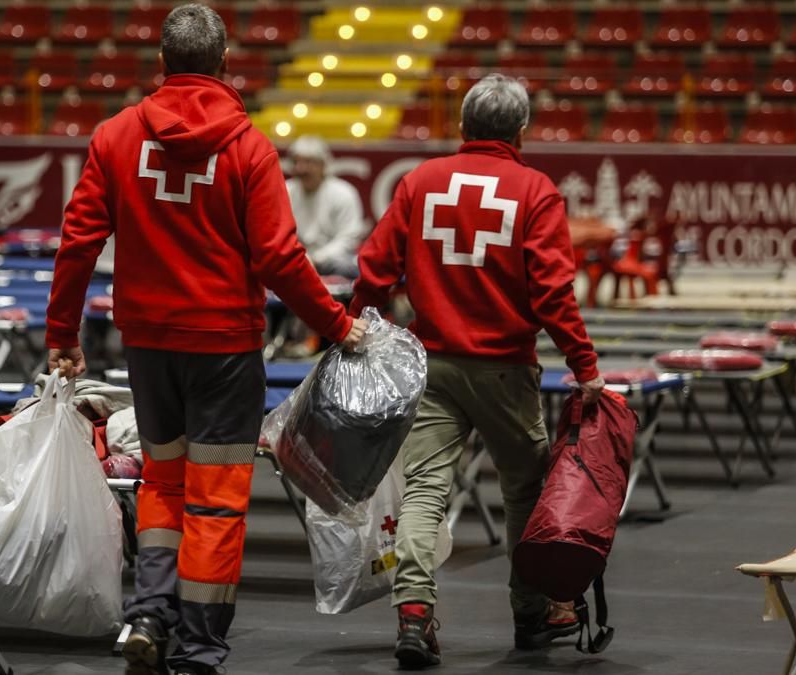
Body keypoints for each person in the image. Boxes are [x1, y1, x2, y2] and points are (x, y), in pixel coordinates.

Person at [45, 6, 366, 674]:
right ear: (226, 66)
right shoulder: (249, 146)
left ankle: (149, 615)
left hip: (149, 345)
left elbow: (78, 240)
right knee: (216, 497)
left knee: (162, 479)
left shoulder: (115, 135)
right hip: (223, 347)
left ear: (161, 65)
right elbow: (279, 258)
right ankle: (197, 644)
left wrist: (62, 333)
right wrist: (338, 325)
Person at [349, 74, 605, 669]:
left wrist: (353, 325)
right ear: (521, 131)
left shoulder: (420, 181)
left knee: (424, 491)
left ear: (462, 127)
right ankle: (531, 612)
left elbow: (375, 268)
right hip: (505, 372)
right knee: (526, 490)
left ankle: (414, 613)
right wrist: (583, 364)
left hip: (432, 366)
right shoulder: (536, 190)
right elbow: (552, 294)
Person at [285, 135, 367, 277]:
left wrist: (317, 258)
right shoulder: (285, 191)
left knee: (346, 266)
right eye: (296, 162)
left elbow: (349, 238)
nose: (301, 169)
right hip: (294, 260)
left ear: (323, 165)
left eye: (308, 162)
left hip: (331, 261)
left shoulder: (343, 193)